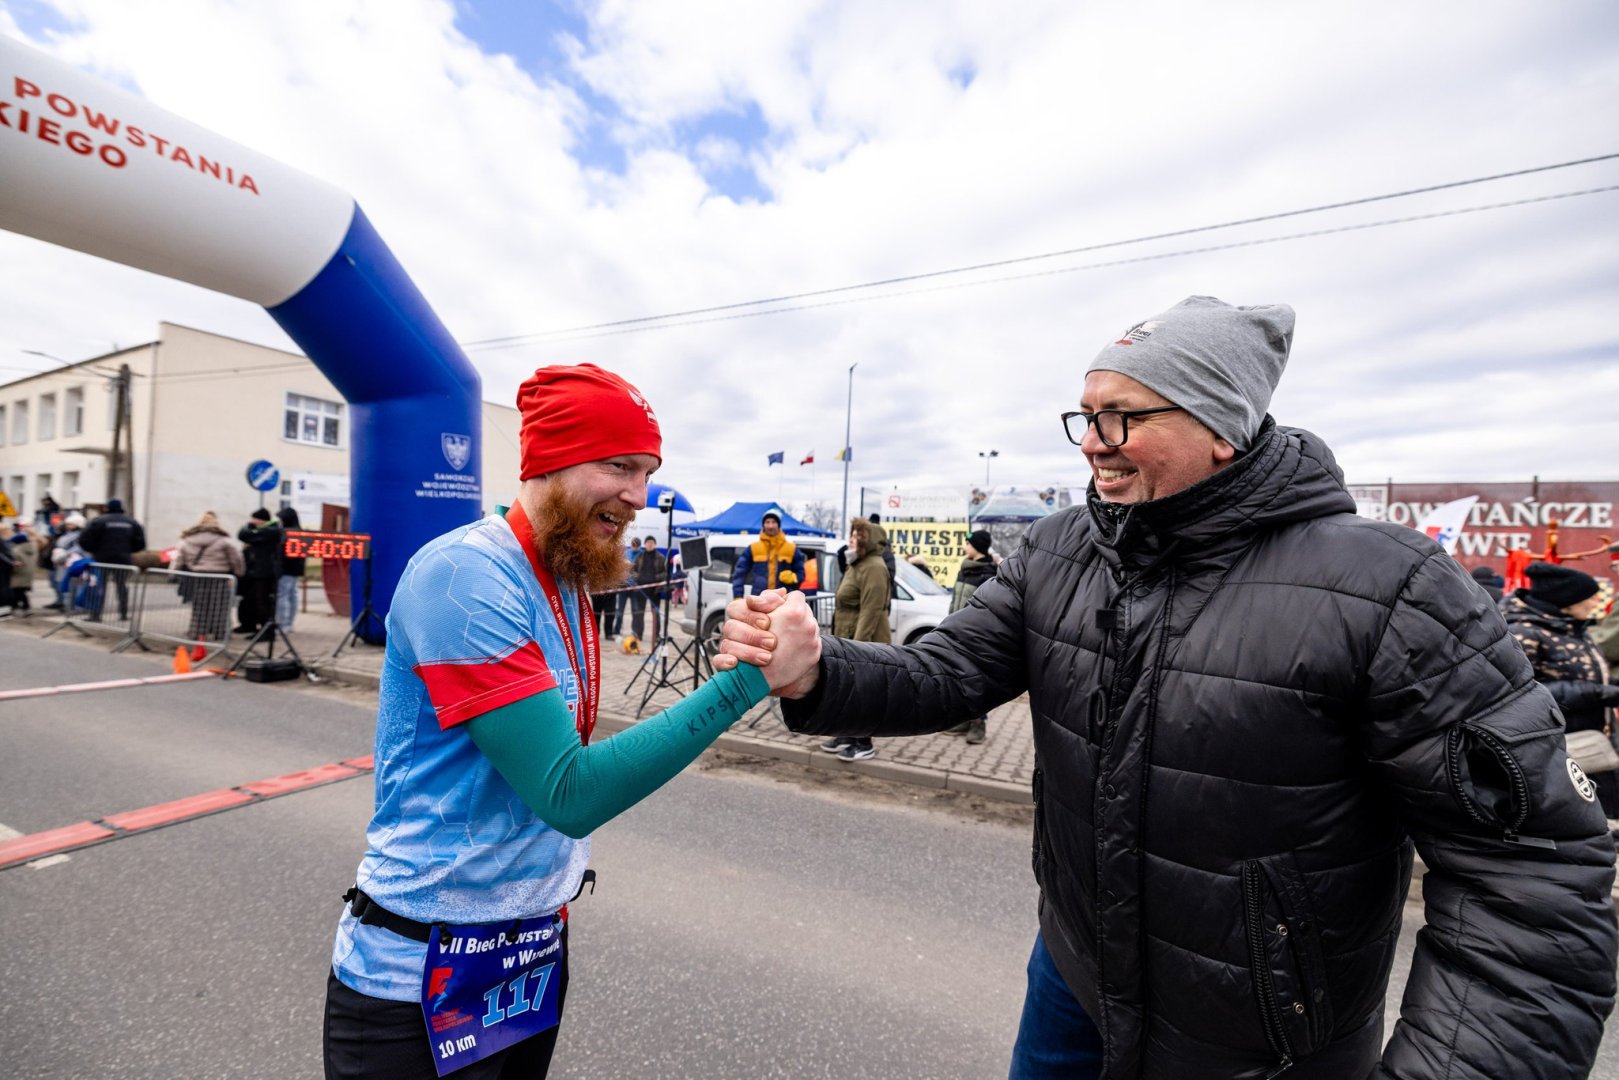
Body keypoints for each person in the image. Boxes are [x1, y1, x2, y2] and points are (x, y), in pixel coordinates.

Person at [719, 295, 1618, 1078]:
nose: (1092, 446)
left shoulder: (1390, 589)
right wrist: (818, 669)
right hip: (1072, 980)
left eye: (1119, 418)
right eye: (1083, 417)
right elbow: (946, 670)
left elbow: (1530, 882)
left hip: (1263, 1045)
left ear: (1221, 426)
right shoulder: (1060, 551)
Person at [323, 363, 790, 1079]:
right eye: (619, 466)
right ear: (549, 461)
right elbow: (568, 791)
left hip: (527, 959)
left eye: (647, 472)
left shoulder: (566, 573)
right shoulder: (464, 576)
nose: (638, 495)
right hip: (414, 979)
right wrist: (751, 676)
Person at [1503, 562, 1619, 817]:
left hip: (1595, 739)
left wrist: (1611, 686)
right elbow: (1521, 691)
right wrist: (1597, 693)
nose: (1596, 603)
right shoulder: (1524, 632)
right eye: (1590, 598)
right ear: (1567, 601)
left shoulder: (1575, 628)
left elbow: (1586, 673)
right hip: (1562, 745)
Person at [818, 516, 889, 762]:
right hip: (848, 634)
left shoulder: (874, 567)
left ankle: (864, 742)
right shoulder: (857, 563)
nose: (851, 540)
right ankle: (847, 734)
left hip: (864, 641)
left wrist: (858, 648)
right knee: (848, 690)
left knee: (864, 692)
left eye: (856, 536)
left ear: (868, 540)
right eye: (851, 535)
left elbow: (871, 610)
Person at [942, 529, 997, 744]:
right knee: (958, 677)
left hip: (976, 636)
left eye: (968, 543)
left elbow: (988, 608)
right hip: (956, 632)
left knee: (975, 680)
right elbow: (955, 599)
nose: (965, 546)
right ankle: (964, 719)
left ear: (978, 547)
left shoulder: (988, 574)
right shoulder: (964, 569)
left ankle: (978, 724)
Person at [172, 510, 245, 644]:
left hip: (197, 576)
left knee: (199, 606)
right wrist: (239, 573)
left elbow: (178, 558)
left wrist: (173, 573)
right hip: (220, 577)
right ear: (216, 524)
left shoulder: (187, 540)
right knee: (220, 606)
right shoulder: (224, 540)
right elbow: (237, 558)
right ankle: (220, 632)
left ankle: (197, 632)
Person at [77, 496, 144, 620]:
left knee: (99, 586)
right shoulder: (131, 522)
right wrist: (127, 550)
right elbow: (140, 542)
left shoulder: (99, 521)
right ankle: (123, 614)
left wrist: (94, 550)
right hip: (123, 559)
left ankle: (96, 615)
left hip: (102, 560)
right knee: (122, 587)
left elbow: (84, 539)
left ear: (107, 508)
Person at [731, 510, 805, 599]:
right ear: (763, 525)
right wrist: (738, 596)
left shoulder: (791, 548)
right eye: (767, 522)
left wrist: (793, 578)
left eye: (773, 522)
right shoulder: (753, 548)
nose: (770, 526)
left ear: (778, 525)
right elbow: (739, 573)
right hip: (759, 599)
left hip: (783, 599)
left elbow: (801, 573)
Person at [235, 508, 283, 634]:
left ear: (262, 520)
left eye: (254, 519)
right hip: (254, 572)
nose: (252, 521)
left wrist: (249, 527)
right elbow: (243, 535)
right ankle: (249, 625)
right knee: (249, 600)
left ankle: (266, 630)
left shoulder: (271, 531)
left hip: (265, 573)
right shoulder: (259, 531)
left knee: (262, 602)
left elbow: (244, 535)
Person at [627, 535, 667, 641]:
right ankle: (638, 634)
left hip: (655, 590)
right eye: (648, 543)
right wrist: (638, 577)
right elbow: (632, 571)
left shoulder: (661, 557)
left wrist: (655, 578)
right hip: (641, 589)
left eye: (652, 543)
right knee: (639, 613)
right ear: (644, 544)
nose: (650, 544)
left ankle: (656, 635)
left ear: (655, 545)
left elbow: (665, 573)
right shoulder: (639, 557)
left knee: (656, 613)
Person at [275, 506, 305, 631]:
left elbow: (283, 553)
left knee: (283, 595)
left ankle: (283, 624)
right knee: (292, 595)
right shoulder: (300, 532)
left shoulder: (287, 533)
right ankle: (289, 623)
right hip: (295, 569)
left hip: (286, 569)